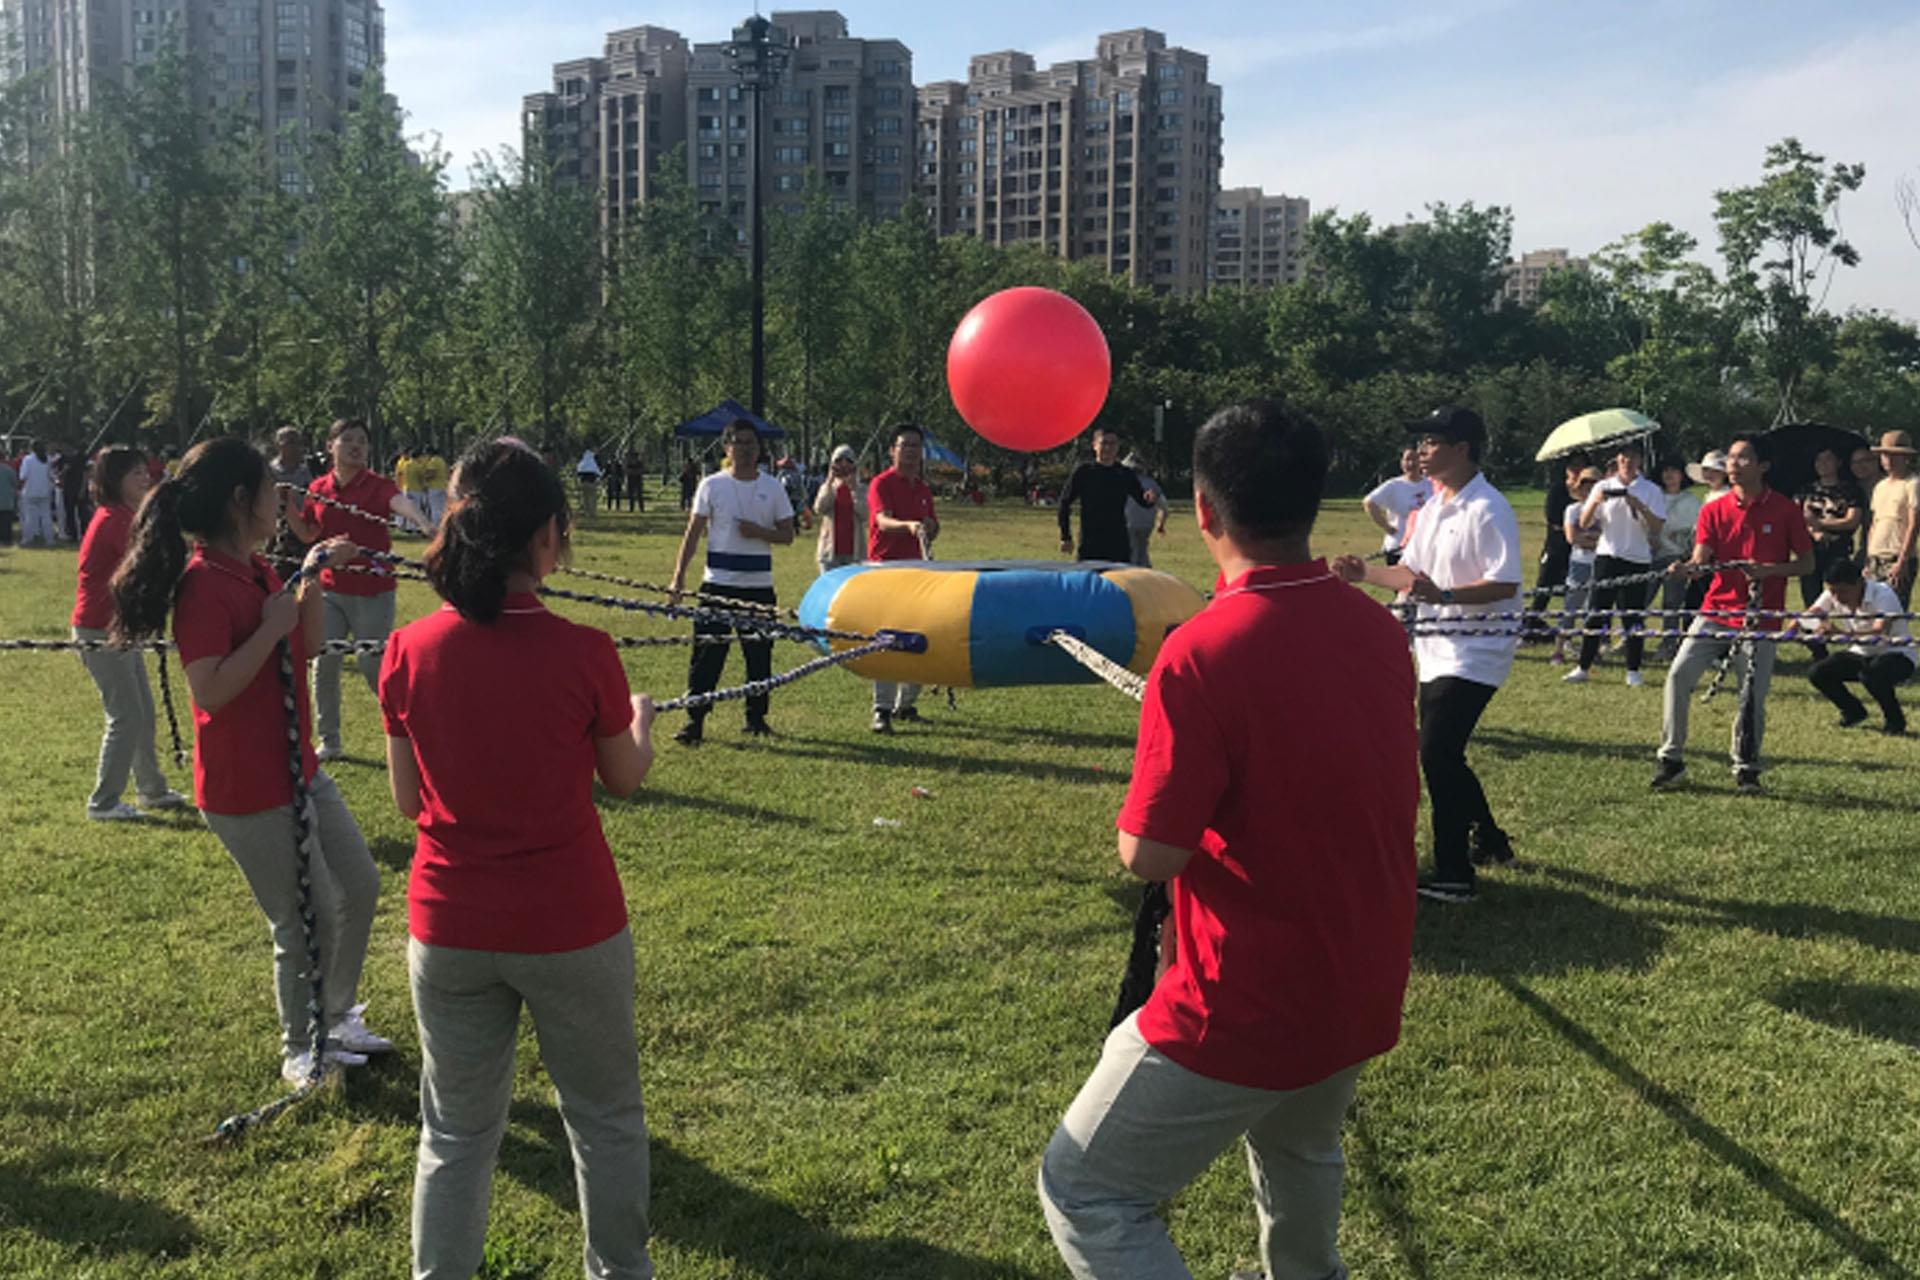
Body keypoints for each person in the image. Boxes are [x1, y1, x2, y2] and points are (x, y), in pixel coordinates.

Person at [1038, 399, 1416, 1280]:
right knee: (1301, 1152)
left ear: (1203, 511)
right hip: (1357, 973)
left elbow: (1150, 854)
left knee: (1085, 1189)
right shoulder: (1373, 627)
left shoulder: (1202, 651)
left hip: (1243, 995)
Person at [377, 439, 656, 1280]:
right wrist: (637, 714)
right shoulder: (585, 651)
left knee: (456, 1133)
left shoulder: (409, 650)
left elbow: (405, 799)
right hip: (570, 923)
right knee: (604, 1118)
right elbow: (625, 774)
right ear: (548, 537)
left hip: (449, 924)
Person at [110, 437, 389, 1085]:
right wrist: (267, 628)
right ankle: (302, 1047)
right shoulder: (205, 585)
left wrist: (310, 574)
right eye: (270, 488)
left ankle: (337, 1013)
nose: (280, 498)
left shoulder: (260, 569)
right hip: (247, 787)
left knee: (359, 885)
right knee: (304, 913)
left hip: (298, 771)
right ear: (241, 501)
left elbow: (311, 645)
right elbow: (209, 689)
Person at [1334, 406, 1521, 903]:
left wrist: (1446, 597)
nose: (1422, 450)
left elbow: (1505, 582)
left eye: (1433, 441)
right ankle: (1492, 839)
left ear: (1462, 449)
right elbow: (1412, 577)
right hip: (1437, 645)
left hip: (1478, 648)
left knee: (1436, 751)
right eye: (1421, 442)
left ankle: (1455, 873)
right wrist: (1364, 575)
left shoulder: (1488, 507)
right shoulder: (1435, 505)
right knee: (1444, 751)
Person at [1652, 434, 1814, 795]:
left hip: (1761, 618)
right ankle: (1671, 760)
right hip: (1715, 610)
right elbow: (1701, 558)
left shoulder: (1786, 510)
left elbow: (1807, 564)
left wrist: (1768, 571)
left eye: (1742, 459)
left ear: (1763, 466)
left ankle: (1747, 767)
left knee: (1751, 694)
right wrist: (1688, 569)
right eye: (1731, 459)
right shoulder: (1714, 509)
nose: (1733, 466)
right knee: (1678, 677)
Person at [284, 418, 430, 762]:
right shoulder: (318, 488)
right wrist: (287, 507)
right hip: (330, 590)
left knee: (371, 664)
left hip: (373, 590)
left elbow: (399, 503)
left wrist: (423, 521)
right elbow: (308, 534)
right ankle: (329, 741)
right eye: (347, 440)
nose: (355, 446)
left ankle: (409, 732)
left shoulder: (376, 484)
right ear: (330, 446)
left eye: (362, 441)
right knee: (325, 661)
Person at [71, 447, 189, 821]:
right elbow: (153, 564)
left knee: (143, 711)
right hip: (99, 629)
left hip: (119, 628)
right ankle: (103, 802)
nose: (145, 477)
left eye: (145, 471)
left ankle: (151, 789)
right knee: (125, 716)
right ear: (113, 480)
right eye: (135, 473)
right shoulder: (114, 520)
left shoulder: (126, 516)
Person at [666, 418, 795, 745]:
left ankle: (755, 717)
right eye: (739, 443)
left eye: (752, 443)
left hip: (758, 588)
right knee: (707, 654)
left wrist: (759, 532)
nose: (747, 449)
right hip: (717, 585)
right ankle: (694, 720)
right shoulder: (711, 485)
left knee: (759, 654)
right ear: (727, 448)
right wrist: (678, 577)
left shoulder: (773, 487)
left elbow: (788, 534)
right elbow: (692, 534)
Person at [1565, 438, 1665, 687]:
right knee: (1596, 612)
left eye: (1631, 458)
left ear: (1640, 462)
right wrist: (1597, 500)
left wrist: (1638, 505)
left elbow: (1657, 526)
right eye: (1622, 459)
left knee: (1632, 616)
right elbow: (1585, 523)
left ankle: (1633, 669)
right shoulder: (1603, 485)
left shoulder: (1651, 490)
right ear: (1616, 462)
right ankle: (1583, 666)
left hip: (1637, 558)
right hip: (1607, 556)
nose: (1626, 463)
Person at [867, 424, 938, 733]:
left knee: (922, 637)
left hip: (918, 573)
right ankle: (881, 709)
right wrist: (909, 526)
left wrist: (929, 527)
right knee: (887, 640)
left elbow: (933, 523)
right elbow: (881, 521)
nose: (911, 452)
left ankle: (905, 704)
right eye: (905, 446)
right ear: (892, 450)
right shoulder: (881, 484)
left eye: (916, 447)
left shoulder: (922, 489)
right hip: (886, 572)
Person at [1797, 559, 1914, 735]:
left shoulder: (1883, 595)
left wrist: (1840, 633)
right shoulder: (1833, 593)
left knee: (1871, 674)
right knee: (1818, 672)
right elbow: (1810, 613)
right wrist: (1795, 630)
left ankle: (1895, 721)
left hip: (1896, 654)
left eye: (1842, 591)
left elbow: (1878, 632)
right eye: (1832, 591)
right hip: (1861, 653)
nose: (1836, 597)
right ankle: (1853, 711)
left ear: (1860, 583)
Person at [1058, 427, 1157, 563]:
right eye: (1104, 443)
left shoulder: (1124, 474)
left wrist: (1149, 499)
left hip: (1118, 542)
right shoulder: (1084, 472)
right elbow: (1064, 502)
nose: (1108, 448)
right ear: (1094, 446)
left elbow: (1142, 500)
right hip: (1090, 542)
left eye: (1113, 444)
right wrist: (1065, 536)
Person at [1528, 455, 1586, 641]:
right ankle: (1530, 625)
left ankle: (1567, 632)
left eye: (1580, 466)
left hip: (1578, 549)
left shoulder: (1589, 491)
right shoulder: (1558, 489)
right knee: (1544, 586)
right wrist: (1571, 526)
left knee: (1575, 592)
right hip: (1556, 545)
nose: (1576, 470)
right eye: (1573, 466)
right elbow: (1552, 516)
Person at [1551, 467, 1602, 666]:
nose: (1587, 491)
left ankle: (1592, 649)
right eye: (1584, 486)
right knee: (1571, 606)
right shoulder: (1572, 509)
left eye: (1592, 487)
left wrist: (1590, 539)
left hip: (1600, 563)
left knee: (1595, 609)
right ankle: (1559, 649)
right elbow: (1573, 537)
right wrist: (1595, 540)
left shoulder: (1605, 510)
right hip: (1580, 563)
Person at [1652, 458, 1703, 659]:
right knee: (1640, 599)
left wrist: (1684, 544)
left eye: (1674, 471)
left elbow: (1696, 532)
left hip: (1678, 557)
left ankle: (1668, 643)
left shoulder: (1691, 501)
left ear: (1682, 475)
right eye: (1666, 471)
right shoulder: (1655, 497)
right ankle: (1631, 637)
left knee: (1672, 602)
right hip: (1653, 555)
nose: (1669, 475)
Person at [1864, 430, 1919, 610]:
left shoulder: (1912, 484)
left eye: (1894, 456)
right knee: (1872, 608)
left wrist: (1902, 561)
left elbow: (1913, 524)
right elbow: (1874, 523)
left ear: (1905, 458)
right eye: (1885, 455)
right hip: (1876, 557)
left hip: (1896, 555)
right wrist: (1868, 558)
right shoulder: (1880, 486)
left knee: (1893, 610)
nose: (1888, 460)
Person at [1361, 445, 1431, 566]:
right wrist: (1386, 527)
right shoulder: (1393, 485)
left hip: (1425, 548)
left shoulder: (1431, 484)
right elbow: (1369, 503)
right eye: (1407, 459)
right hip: (1398, 547)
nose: (1410, 463)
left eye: (1415, 459)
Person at [266, 426, 315, 580]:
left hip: (304, 527)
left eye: (297, 442)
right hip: (279, 530)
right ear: (278, 444)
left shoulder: (307, 470)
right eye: (290, 442)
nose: (295, 447)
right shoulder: (269, 471)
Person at [812, 444, 868, 575]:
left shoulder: (862, 489)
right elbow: (819, 508)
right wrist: (830, 481)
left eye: (848, 462)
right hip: (829, 551)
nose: (843, 467)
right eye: (838, 462)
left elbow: (866, 514)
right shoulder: (827, 487)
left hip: (855, 552)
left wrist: (854, 488)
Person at [1120, 451, 1170, 567]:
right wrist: (1160, 524)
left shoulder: (1123, 481)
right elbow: (1164, 507)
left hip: (1128, 522)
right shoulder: (1151, 483)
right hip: (1147, 524)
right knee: (1142, 550)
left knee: (1132, 553)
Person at [19, 439, 57, 546]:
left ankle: (28, 538)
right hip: (44, 491)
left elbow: (23, 475)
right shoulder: (47, 459)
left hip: (30, 491)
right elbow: (50, 475)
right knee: (46, 517)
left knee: (29, 517)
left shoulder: (28, 459)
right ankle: (50, 540)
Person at [57, 443, 92, 542]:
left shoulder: (81, 458)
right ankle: (73, 535)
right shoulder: (62, 460)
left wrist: (83, 488)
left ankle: (85, 534)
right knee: (69, 514)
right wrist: (63, 471)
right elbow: (60, 475)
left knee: (83, 514)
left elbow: (86, 474)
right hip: (68, 490)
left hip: (79, 488)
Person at [414, 444, 450, 528]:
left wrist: (423, 476)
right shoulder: (441, 460)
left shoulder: (433, 461)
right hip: (443, 486)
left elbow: (431, 473)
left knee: (435, 509)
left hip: (434, 487)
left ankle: (436, 526)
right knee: (441, 508)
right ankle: (443, 525)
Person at [576, 447, 602, 519]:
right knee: (592, 499)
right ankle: (592, 513)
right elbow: (598, 473)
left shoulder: (582, 463)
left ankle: (587, 513)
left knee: (585, 499)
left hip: (583, 483)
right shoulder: (593, 463)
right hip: (591, 483)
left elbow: (578, 472)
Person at [0, 447, 17, 545]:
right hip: (6, 501)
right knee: (6, 523)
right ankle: (6, 540)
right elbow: (15, 483)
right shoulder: (9, 470)